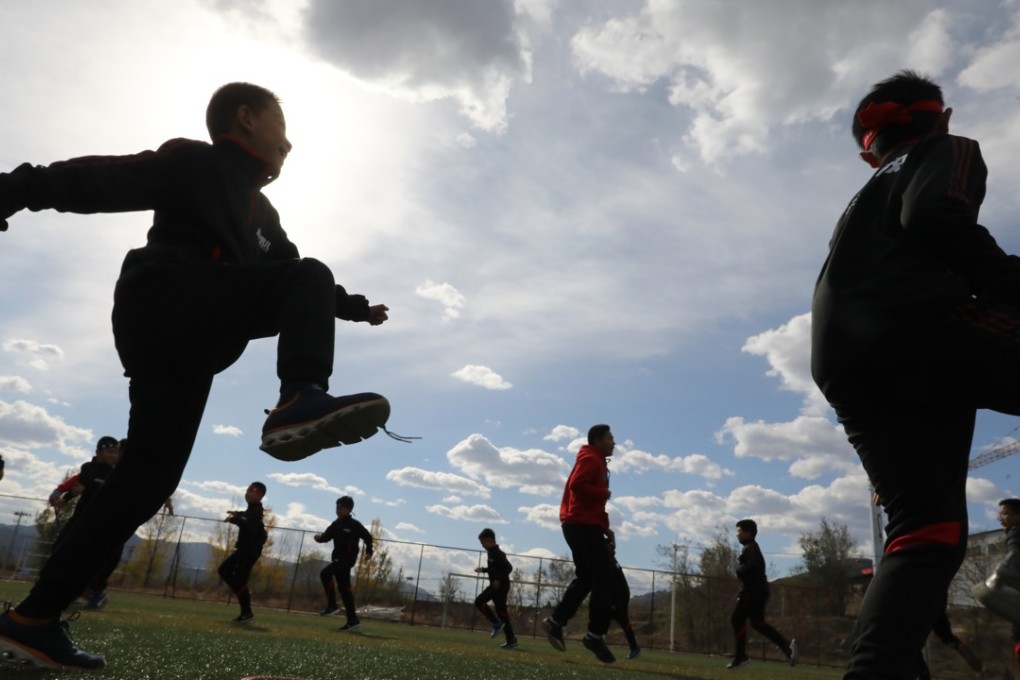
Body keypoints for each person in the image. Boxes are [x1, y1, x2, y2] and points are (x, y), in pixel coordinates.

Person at [0, 82, 394, 670]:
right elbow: (99, 178)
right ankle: (299, 397)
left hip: (192, 347)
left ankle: (32, 620)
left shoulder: (263, 215)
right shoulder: (196, 163)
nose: (290, 139)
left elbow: (297, 280)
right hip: (164, 301)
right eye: (280, 121)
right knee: (307, 274)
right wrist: (13, 191)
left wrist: (353, 307)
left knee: (143, 485)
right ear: (246, 118)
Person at [811, 69, 1020, 679]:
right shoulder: (947, 149)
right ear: (944, 117)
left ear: (866, 152)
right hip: (918, 332)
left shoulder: (859, 202)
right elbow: (933, 216)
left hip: (847, 362)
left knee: (926, 532)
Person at [542, 424, 617, 663]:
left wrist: (605, 527)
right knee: (605, 576)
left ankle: (556, 622)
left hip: (582, 524)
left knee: (586, 577)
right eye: (609, 438)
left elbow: (593, 502)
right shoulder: (591, 460)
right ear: (597, 441)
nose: (613, 443)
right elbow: (578, 485)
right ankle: (594, 635)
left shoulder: (597, 461)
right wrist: (603, 494)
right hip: (580, 524)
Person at [726, 519, 795, 669]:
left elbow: (754, 566)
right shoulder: (751, 547)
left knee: (737, 619)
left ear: (748, 532)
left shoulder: (750, 548)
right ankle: (787, 647)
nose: (737, 534)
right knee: (758, 623)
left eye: (739, 531)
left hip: (752, 591)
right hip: (760, 590)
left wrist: (740, 571)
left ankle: (741, 656)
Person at [974, 498, 1020, 671]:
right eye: (1000, 514)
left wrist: (997, 578)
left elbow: (1014, 556)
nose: (1001, 518)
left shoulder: (1015, 532)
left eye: (1006, 513)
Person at [314, 496, 373, 630]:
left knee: (325, 574)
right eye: (337, 508)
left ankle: (332, 605)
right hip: (338, 559)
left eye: (341, 508)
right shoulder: (336, 524)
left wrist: (369, 551)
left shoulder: (354, 525)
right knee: (345, 589)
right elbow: (325, 537)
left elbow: (368, 537)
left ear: (349, 509)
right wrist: (318, 538)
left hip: (347, 559)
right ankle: (353, 620)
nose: (338, 510)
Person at [218, 482, 268, 623]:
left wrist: (234, 519)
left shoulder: (256, 510)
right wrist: (238, 513)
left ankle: (244, 595)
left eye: (252, 491)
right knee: (238, 578)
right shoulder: (253, 509)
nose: (248, 493)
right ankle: (246, 611)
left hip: (248, 551)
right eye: (247, 490)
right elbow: (247, 516)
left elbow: (249, 524)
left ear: (260, 495)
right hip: (248, 550)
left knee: (224, 570)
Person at [473, 528, 517, 649]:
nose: (482, 545)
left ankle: (496, 623)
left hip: (499, 586)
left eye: (483, 542)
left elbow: (509, 568)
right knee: (502, 614)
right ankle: (511, 639)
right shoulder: (491, 552)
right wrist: (483, 570)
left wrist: (498, 579)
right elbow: (495, 568)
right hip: (498, 585)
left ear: (490, 540)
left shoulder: (497, 553)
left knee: (479, 601)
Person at [608, 542, 640, 660]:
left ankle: (634, 647)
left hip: (620, 596)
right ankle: (597, 639)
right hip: (617, 595)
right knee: (616, 618)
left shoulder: (610, 561)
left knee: (621, 619)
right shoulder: (609, 559)